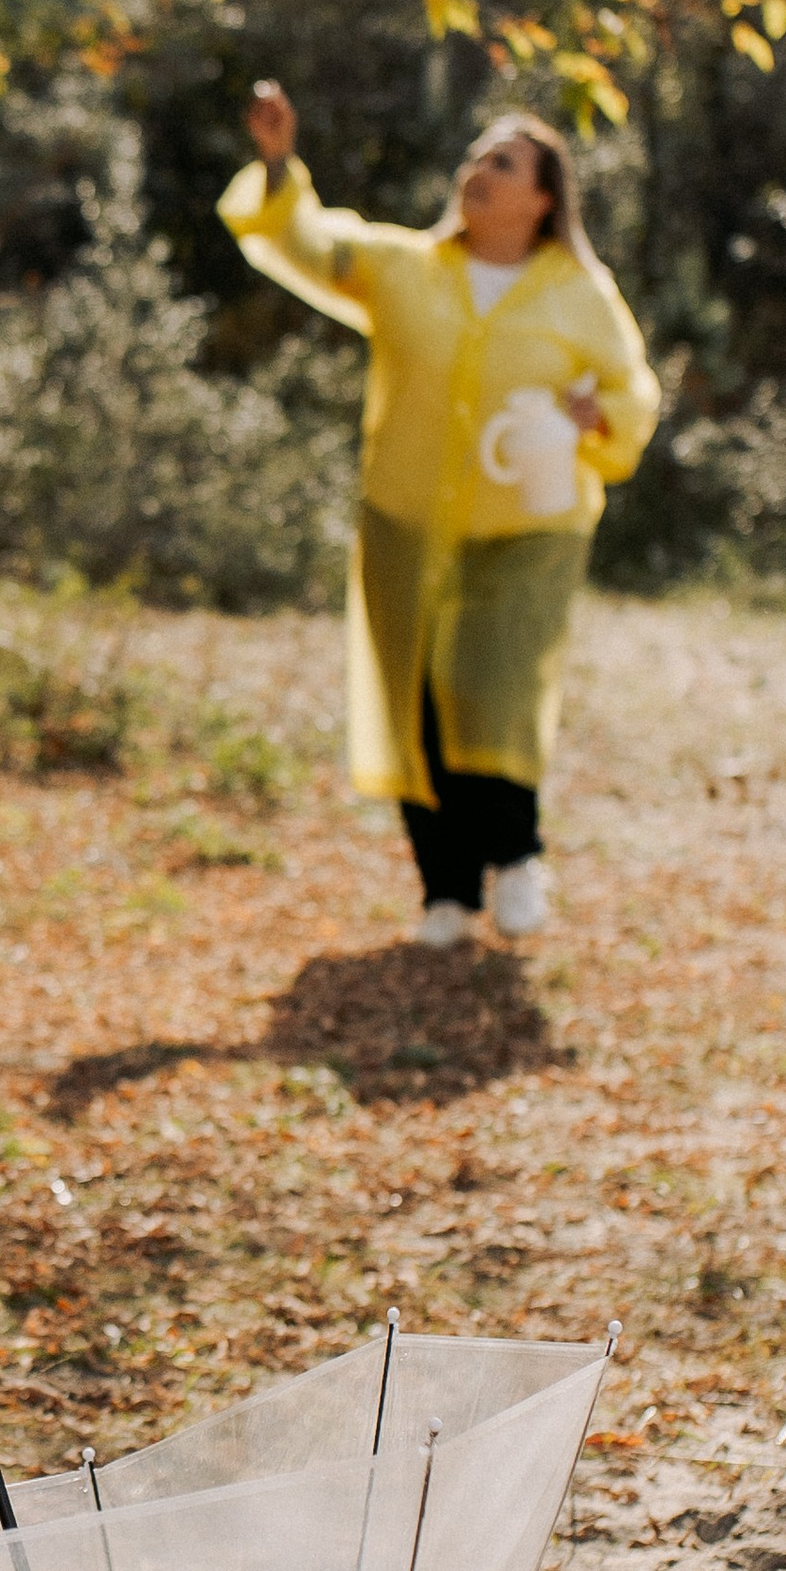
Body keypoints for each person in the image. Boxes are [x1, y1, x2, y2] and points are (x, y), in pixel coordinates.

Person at [219, 87, 660, 943]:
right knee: (416, 700)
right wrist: (277, 162)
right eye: (475, 157)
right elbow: (308, 243)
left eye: (502, 161)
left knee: (494, 690)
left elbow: (630, 388)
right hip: (406, 522)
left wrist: (593, 418)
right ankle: (446, 891)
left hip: (529, 529)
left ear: (542, 197)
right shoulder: (404, 266)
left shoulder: (580, 290)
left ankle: (518, 855)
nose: (477, 171)